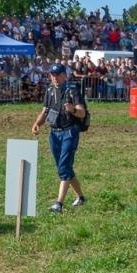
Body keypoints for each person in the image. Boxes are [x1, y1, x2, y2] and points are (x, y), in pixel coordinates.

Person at [31, 62, 88, 212]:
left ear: (64, 75)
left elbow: (82, 112)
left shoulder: (72, 91)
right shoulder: (49, 91)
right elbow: (45, 112)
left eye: (58, 75)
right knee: (65, 168)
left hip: (69, 132)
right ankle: (81, 198)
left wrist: (73, 109)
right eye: (53, 75)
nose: (55, 78)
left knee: (63, 167)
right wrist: (37, 124)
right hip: (54, 133)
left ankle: (59, 204)